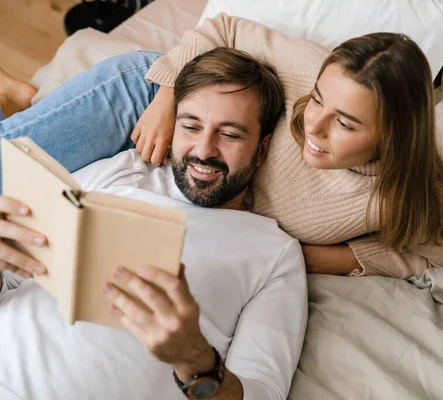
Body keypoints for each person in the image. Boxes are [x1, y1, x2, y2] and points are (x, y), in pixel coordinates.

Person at [0, 13, 443, 279]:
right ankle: (22, 99)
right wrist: (166, 94)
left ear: (395, 138)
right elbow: (223, 27)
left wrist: (324, 258)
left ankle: (21, 98)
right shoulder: (308, 67)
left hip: (213, 165)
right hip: (151, 103)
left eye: (344, 123)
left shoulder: (409, 195)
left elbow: (438, 255)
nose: (312, 125)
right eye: (317, 100)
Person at [0, 48, 307, 400]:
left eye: (230, 135)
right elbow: (12, 279)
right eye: (190, 126)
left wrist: (194, 359)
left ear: (263, 149)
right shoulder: (124, 170)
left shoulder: (274, 253)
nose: (204, 150)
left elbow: (262, 392)